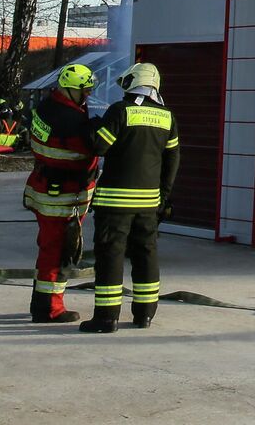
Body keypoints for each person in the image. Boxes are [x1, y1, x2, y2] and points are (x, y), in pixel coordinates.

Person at [82, 61, 181, 333]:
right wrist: (163, 198)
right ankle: (145, 314)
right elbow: (173, 160)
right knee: (146, 255)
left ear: (132, 82)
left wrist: (92, 124)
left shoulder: (119, 111)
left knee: (111, 256)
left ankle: (106, 318)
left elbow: (99, 145)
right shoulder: (166, 116)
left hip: (115, 202)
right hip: (149, 203)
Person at [22, 64, 100, 323]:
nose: (88, 95)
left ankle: (40, 303)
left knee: (48, 248)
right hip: (62, 194)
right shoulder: (69, 120)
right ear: (69, 89)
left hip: (45, 187)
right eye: (84, 90)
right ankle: (50, 309)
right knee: (59, 251)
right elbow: (91, 146)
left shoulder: (47, 107)